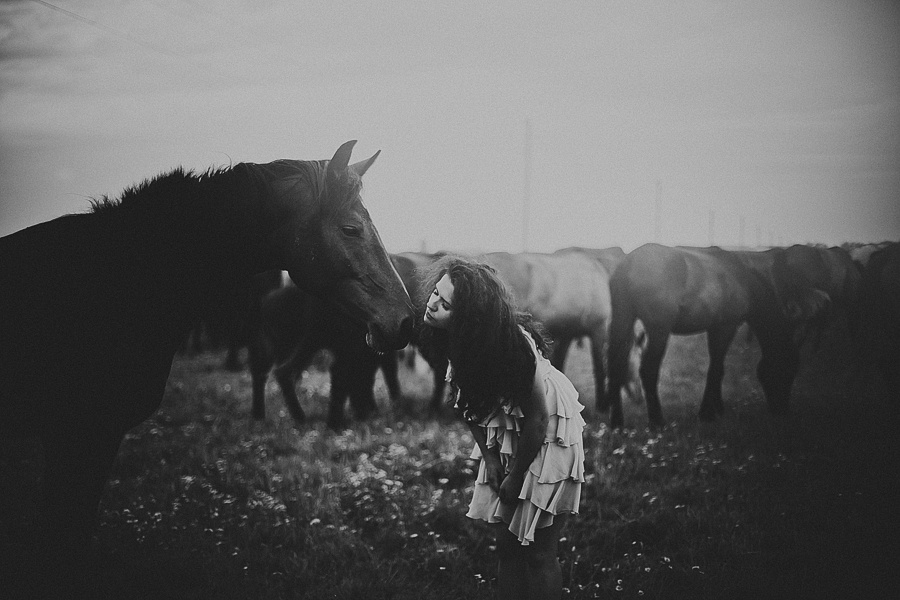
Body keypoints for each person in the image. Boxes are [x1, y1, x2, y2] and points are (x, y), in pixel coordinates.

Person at [417, 255, 586, 600]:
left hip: (549, 431)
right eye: (435, 293)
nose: (432, 304)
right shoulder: (453, 339)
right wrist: (491, 458)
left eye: (445, 304)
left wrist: (516, 474)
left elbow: (538, 420)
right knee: (507, 547)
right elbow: (467, 405)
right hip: (508, 431)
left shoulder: (513, 347)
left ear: (470, 318)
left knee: (538, 552)